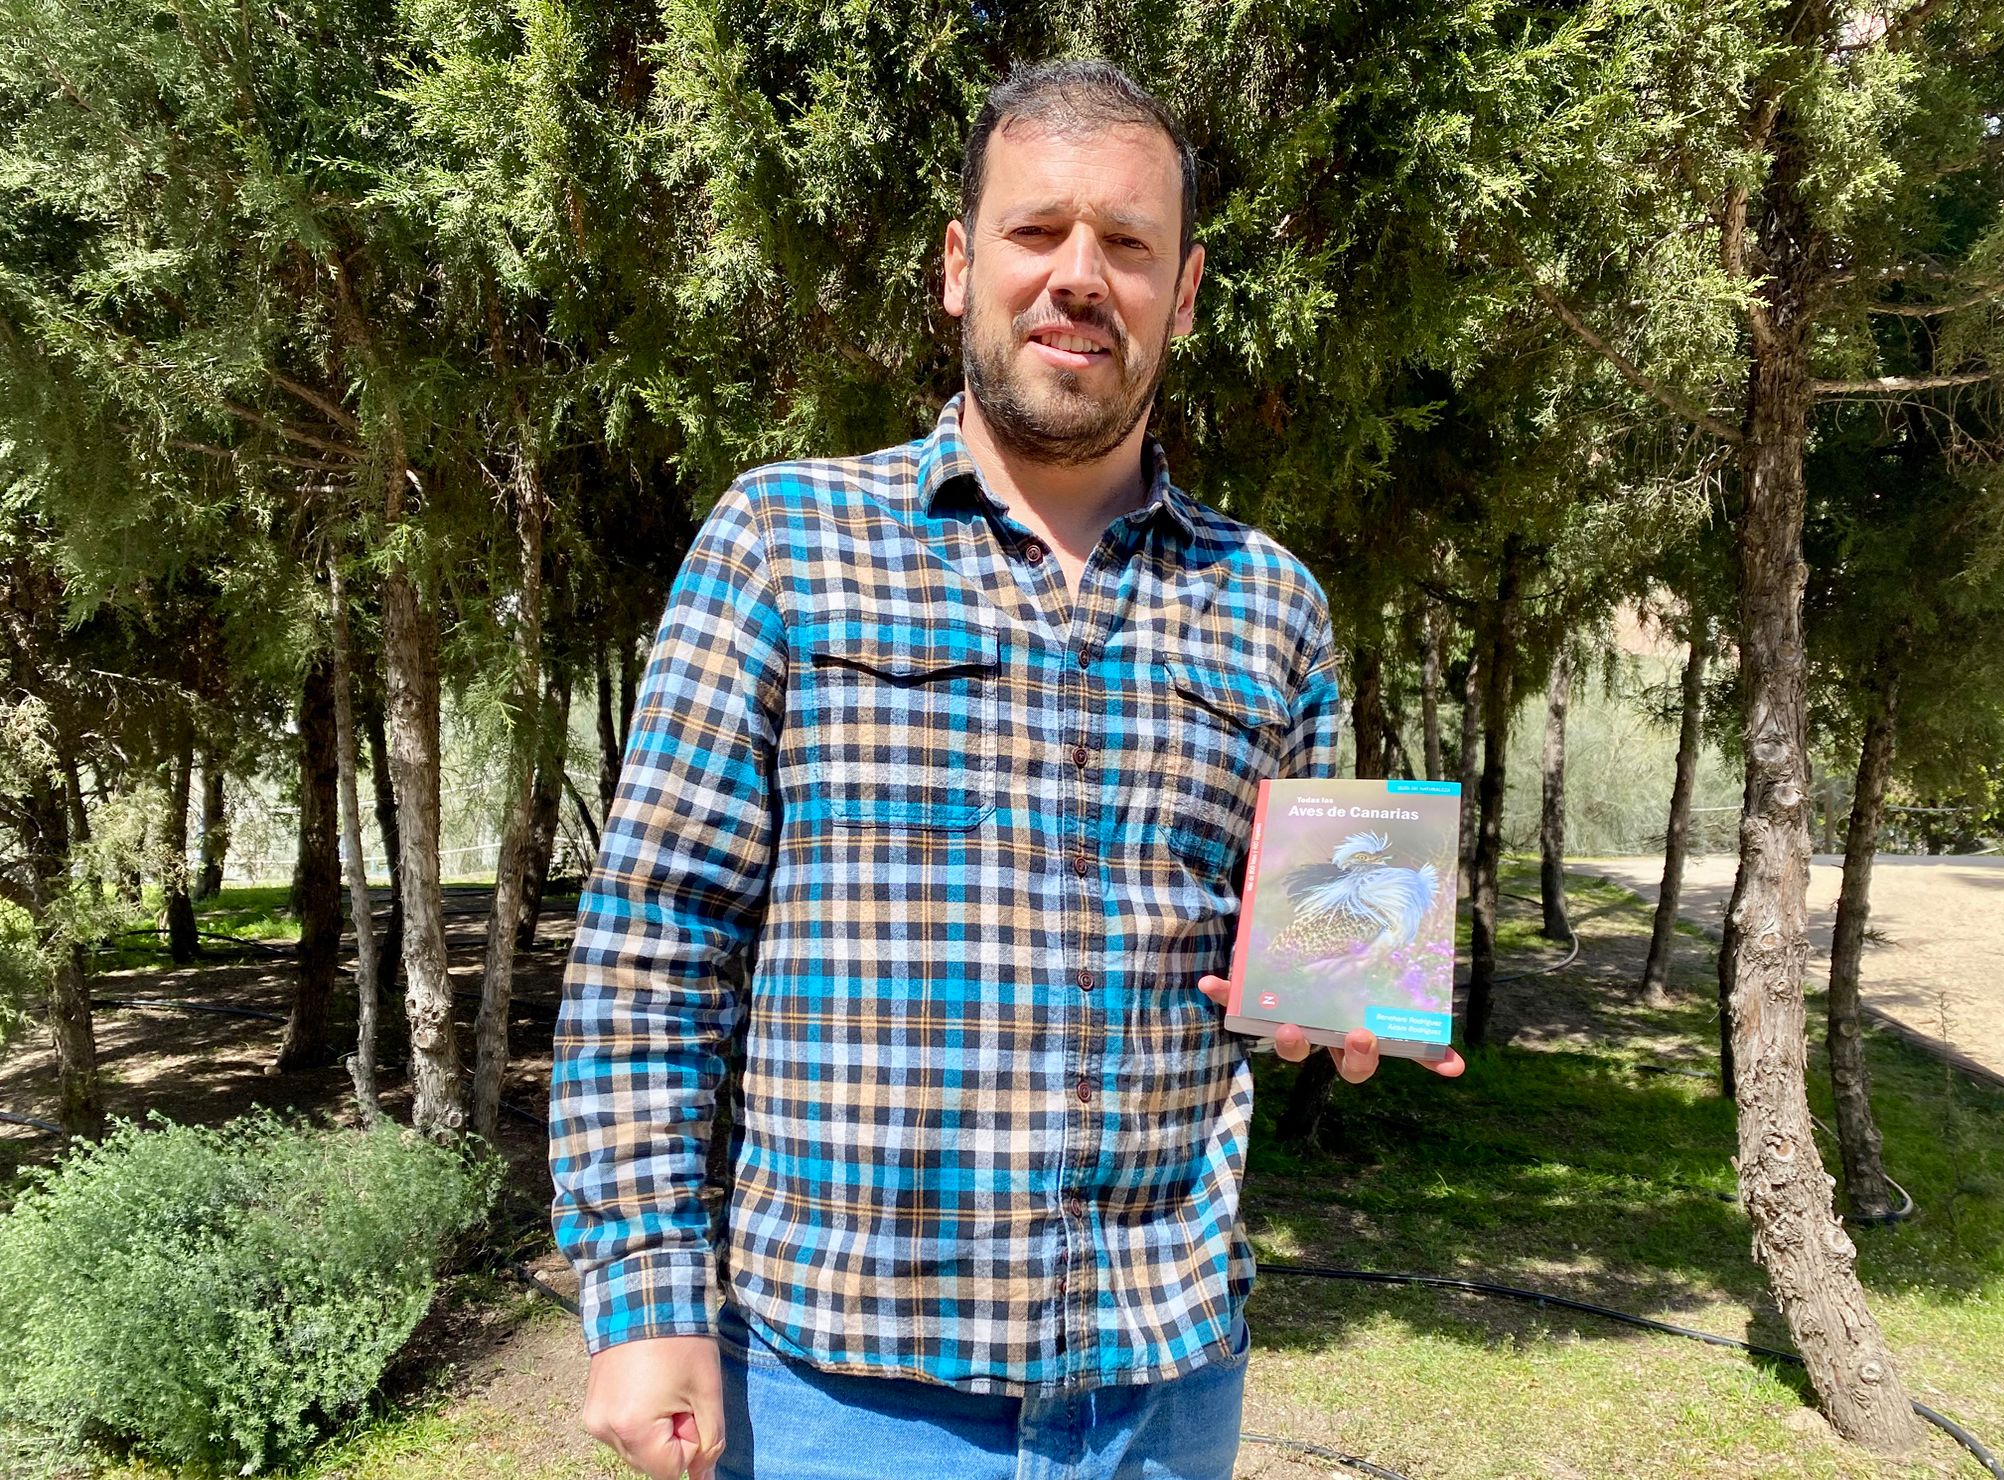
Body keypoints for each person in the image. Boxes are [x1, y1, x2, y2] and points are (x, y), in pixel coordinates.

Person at [551, 58, 1465, 1480]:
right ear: (958, 267)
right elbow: (656, 942)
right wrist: (644, 1294)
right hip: (842, 1406)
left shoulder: (1272, 605)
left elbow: (1288, 953)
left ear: (1185, 292)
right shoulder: (785, 542)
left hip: (1165, 1393)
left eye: (1129, 244)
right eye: (1037, 231)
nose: (1079, 276)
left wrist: (1335, 1004)